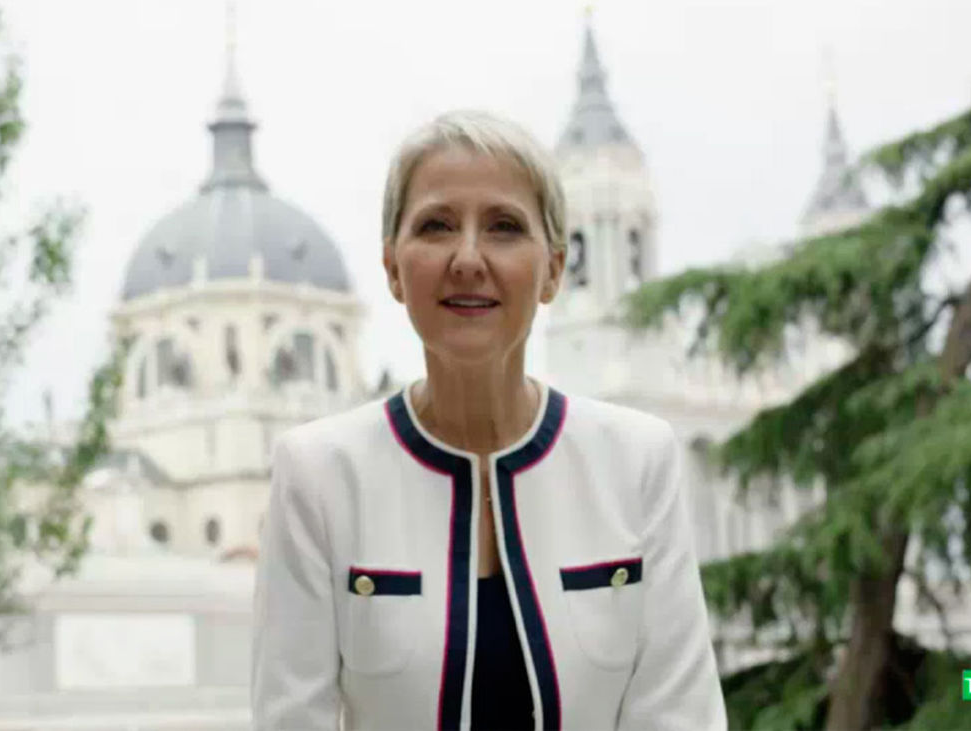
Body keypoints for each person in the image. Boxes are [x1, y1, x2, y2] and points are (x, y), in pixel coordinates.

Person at [251, 110, 726, 730]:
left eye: (504, 227)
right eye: (436, 226)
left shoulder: (637, 461)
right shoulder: (319, 474)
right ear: (393, 266)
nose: (469, 258)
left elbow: (679, 716)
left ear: (554, 268)